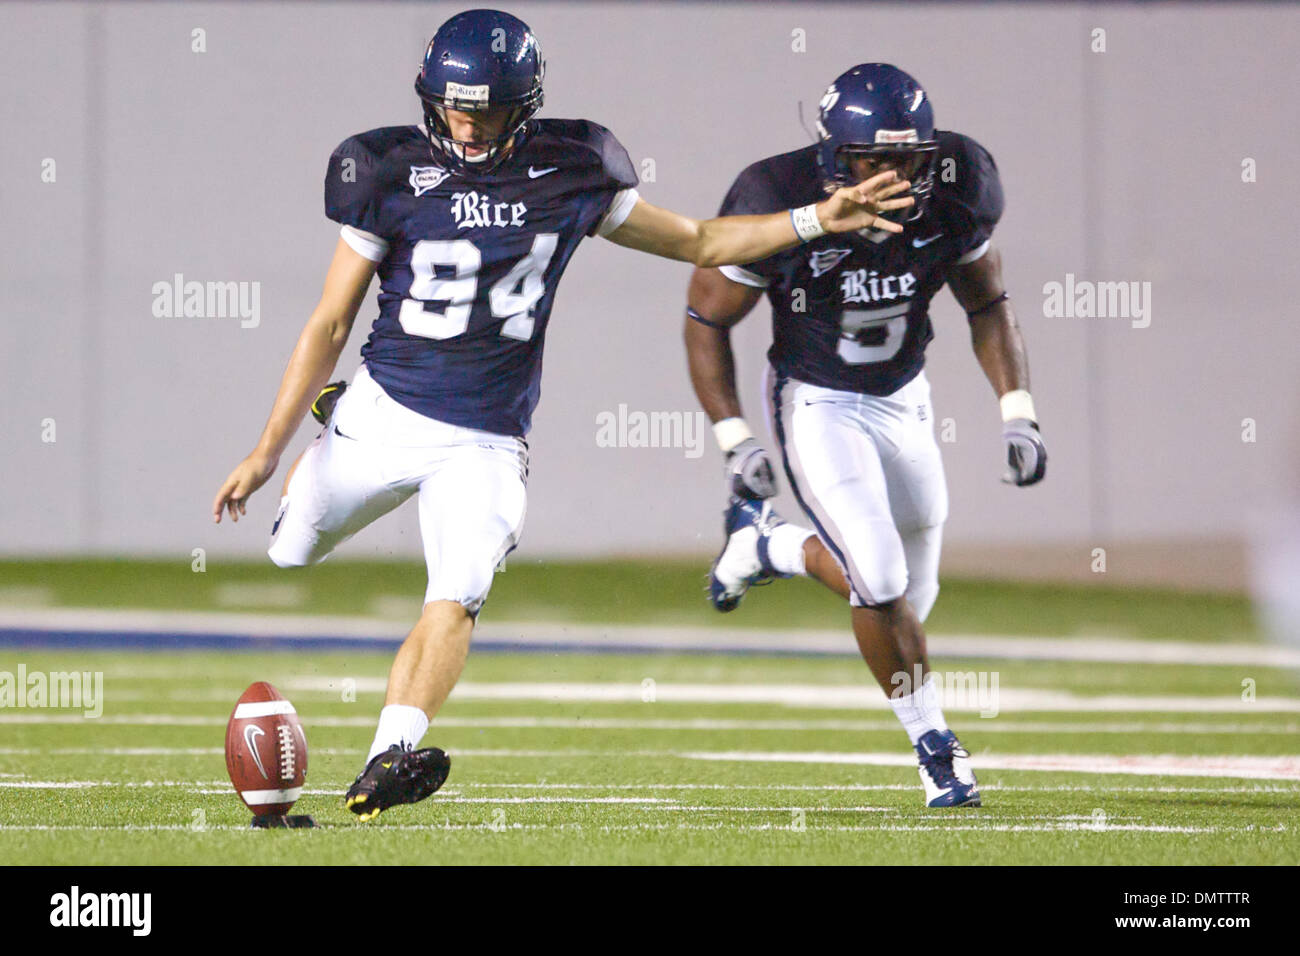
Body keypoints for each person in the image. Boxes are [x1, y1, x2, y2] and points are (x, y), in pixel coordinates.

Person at [210, 13, 914, 821]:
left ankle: (388, 755)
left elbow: (698, 240)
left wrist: (817, 218)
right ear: (431, 100)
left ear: (528, 104)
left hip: (484, 437)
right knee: (289, 553)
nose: (469, 127)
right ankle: (333, 433)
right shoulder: (383, 168)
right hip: (384, 407)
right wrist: (267, 449)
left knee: (459, 591)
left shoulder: (573, 167)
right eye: (456, 109)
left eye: (489, 111)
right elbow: (331, 320)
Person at [686, 63, 1047, 807]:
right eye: (872, 160)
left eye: (905, 159)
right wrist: (734, 438)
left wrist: (1017, 410)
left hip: (902, 394)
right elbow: (708, 319)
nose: (891, 176)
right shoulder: (776, 197)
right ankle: (935, 748)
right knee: (878, 579)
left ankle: (769, 546)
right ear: (832, 158)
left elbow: (987, 302)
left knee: (915, 594)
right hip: (814, 399)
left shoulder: (958, 184)